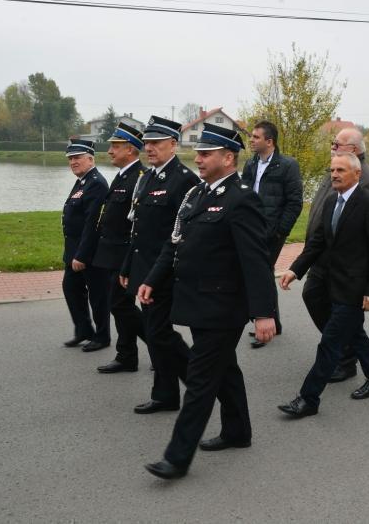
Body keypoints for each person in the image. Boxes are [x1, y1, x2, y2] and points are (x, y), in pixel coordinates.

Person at [140, 123, 276, 480]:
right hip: (197, 302)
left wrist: (264, 314)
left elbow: (255, 261)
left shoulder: (242, 198)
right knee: (225, 370)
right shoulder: (197, 194)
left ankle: (177, 457)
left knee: (200, 381)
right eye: (197, 153)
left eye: (205, 154)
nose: (197, 159)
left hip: (222, 307)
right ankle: (237, 431)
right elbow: (174, 242)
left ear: (228, 158)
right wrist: (152, 280)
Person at [277, 151, 369, 418]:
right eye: (332, 170)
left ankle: (308, 399)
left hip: (355, 288)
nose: (334, 175)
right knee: (355, 334)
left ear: (357, 174)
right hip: (332, 283)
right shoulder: (331, 201)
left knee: (330, 343)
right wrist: (295, 269)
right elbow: (317, 243)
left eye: (340, 170)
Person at [119, 116, 200, 413]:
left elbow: (180, 234)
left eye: (156, 142)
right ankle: (166, 394)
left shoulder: (185, 181)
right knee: (156, 334)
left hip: (165, 273)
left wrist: (155, 276)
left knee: (158, 333)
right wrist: (127, 266)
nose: (149, 148)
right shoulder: (148, 177)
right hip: (144, 269)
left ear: (173, 144)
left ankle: (200, 382)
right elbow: (137, 230)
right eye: (147, 143)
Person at [302, 127, 369, 383]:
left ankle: (340, 362)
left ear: (354, 149)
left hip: (344, 267)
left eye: (337, 143)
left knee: (342, 319)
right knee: (316, 299)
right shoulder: (335, 170)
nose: (332, 146)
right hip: (321, 256)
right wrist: (298, 265)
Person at [241, 120, 303, 348]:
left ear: (269, 142)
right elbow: (242, 194)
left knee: (261, 274)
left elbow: (294, 202)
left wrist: (280, 232)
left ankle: (265, 326)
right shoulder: (250, 164)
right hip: (251, 230)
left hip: (272, 232)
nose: (251, 140)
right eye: (251, 136)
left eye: (256, 137)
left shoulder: (288, 165)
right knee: (263, 274)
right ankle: (272, 323)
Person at [93, 122, 148, 371]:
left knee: (120, 305)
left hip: (126, 254)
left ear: (130, 149)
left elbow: (138, 223)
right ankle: (127, 356)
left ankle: (161, 347)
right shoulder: (123, 175)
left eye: (115, 146)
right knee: (119, 306)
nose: (110, 151)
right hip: (112, 253)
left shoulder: (140, 178)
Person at [61, 139, 110, 351]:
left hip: (90, 252)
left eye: (77, 158)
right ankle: (83, 330)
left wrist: (81, 255)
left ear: (90, 159)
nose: (73, 162)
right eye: (70, 158)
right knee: (71, 288)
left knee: (98, 295)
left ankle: (102, 336)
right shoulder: (82, 181)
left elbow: (92, 223)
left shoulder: (96, 183)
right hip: (74, 249)